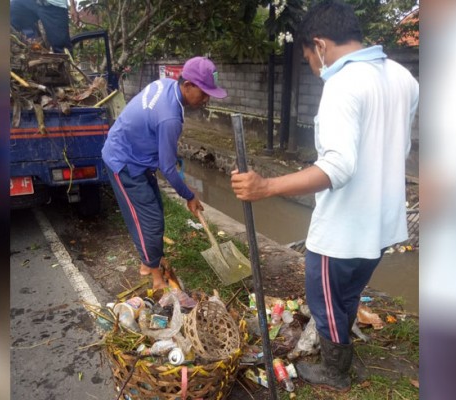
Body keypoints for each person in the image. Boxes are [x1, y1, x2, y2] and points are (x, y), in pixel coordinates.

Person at [231, 0, 419, 393]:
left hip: (344, 228)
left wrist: (266, 187)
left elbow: (337, 167)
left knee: (325, 302)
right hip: (382, 223)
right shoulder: (404, 78)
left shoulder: (343, 84)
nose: (315, 69)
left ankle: (337, 371)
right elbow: (394, 149)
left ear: (319, 44)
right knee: (347, 293)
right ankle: (343, 351)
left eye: (309, 60)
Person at [102, 57, 227, 290]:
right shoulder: (170, 117)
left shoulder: (167, 85)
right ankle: (155, 277)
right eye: (204, 92)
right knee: (148, 220)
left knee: (154, 211)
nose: (206, 99)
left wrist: (166, 151)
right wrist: (189, 195)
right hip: (124, 161)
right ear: (188, 85)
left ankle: (149, 260)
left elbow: (155, 131)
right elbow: (167, 167)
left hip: (139, 156)